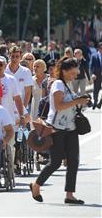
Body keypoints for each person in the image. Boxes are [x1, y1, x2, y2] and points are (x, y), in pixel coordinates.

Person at [29, 57, 90, 204]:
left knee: (73, 161)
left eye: (76, 73)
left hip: (71, 128)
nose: (75, 76)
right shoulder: (58, 84)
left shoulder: (68, 84)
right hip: (56, 128)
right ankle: (36, 185)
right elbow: (59, 106)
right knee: (55, 162)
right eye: (72, 73)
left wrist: (81, 100)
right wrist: (77, 101)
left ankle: (69, 195)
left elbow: (69, 105)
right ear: (64, 71)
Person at [90, 42, 102, 109]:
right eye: (101, 48)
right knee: (96, 89)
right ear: (98, 48)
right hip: (96, 75)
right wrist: (92, 74)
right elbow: (91, 66)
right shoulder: (94, 56)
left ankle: (100, 102)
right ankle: (95, 101)